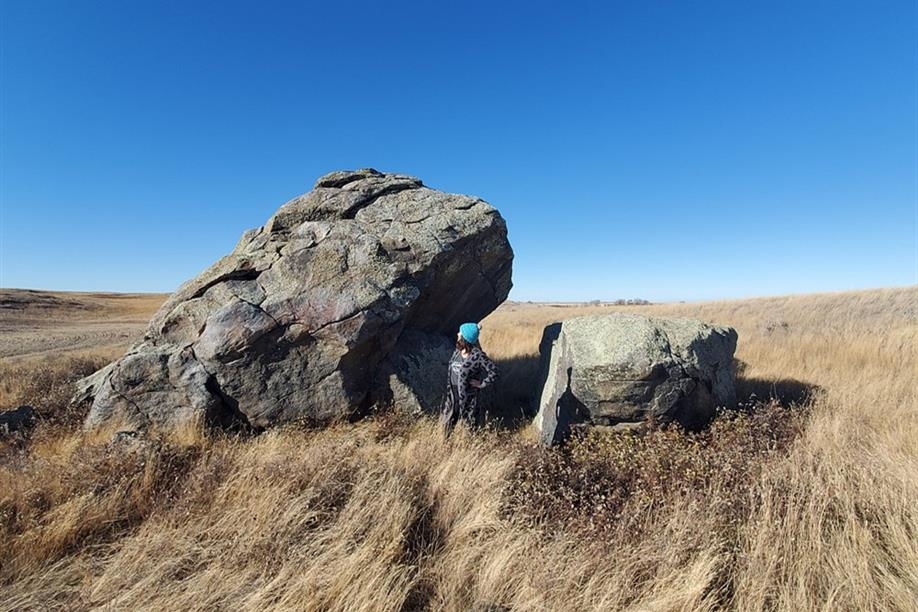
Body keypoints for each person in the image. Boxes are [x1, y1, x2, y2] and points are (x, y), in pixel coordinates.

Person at [440, 322, 498, 436]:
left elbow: (494, 371)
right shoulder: (457, 351)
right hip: (452, 393)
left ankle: (470, 446)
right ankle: (445, 443)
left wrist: (482, 383)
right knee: (448, 421)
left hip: (468, 396)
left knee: (469, 425)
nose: (457, 334)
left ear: (464, 338)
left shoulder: (478, 355)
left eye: (460, 333)